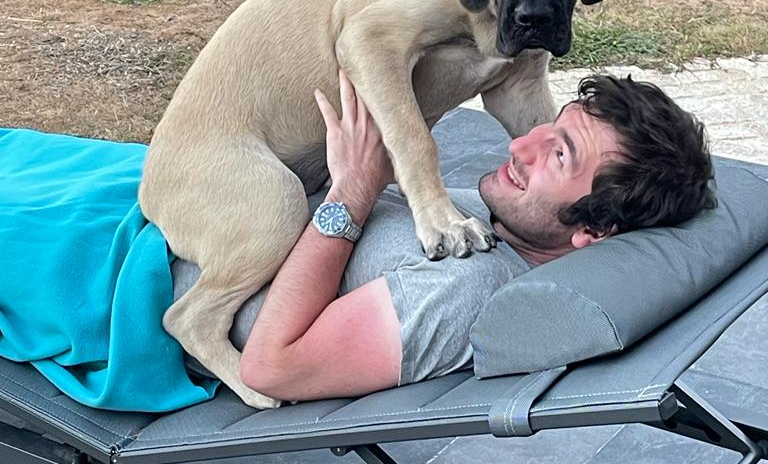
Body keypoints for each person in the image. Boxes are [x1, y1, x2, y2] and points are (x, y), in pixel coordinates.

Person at [183, 69, 713, 405]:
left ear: (594, 231)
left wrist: (351, 193)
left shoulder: (467, 291)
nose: (520, 146)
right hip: (214, 201)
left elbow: (271, 367)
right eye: (550, 127)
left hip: (155, 271)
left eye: (557, 155)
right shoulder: (499, 220)